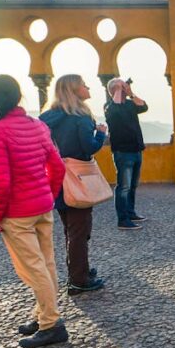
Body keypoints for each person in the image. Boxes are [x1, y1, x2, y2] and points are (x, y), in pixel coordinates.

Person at [0, 74, 69, 348]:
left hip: (18, 213)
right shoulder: (37, 125)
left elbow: (1, 182)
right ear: (18, 96)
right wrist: (48, 195)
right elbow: (58, 167)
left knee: (32, 268)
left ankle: (51, 324)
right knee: (47, 263)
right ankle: (44, 314)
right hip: (43, 207)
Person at [40, 74, 108, 296]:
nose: (88, 87)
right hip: (77, 178)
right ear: (75, 90)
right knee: (80, 230)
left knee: (70, 228)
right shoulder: (80, 117)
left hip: (54, 178)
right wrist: (101, 134)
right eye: (84, 85)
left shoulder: (46, 118)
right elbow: (88, 148)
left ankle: (80, 270)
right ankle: (79, 280)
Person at [103, 78, 148, 230]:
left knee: (133, 185)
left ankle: (130, 212)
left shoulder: (130, 104)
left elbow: (144, 106)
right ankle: (123, 220)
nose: (124, 88)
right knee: (124, 186)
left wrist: (130, 93)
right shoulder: (109, 107)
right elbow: (114, 110)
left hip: (136, 150)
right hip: (123, 152)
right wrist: (117, 90)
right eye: (121, 87)